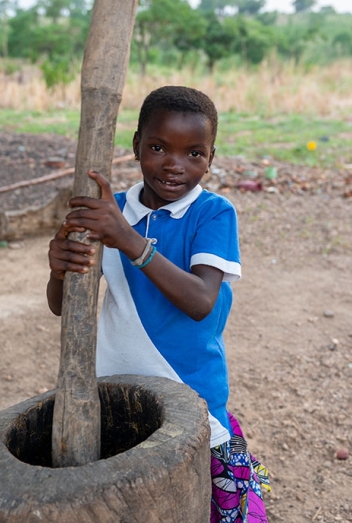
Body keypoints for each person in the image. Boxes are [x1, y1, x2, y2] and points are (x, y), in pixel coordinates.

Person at [47, 86, 271, 522]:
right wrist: (58, 269)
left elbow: (201, 301)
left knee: (213, 504)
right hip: (115, 384)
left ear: (210, 158)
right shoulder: (112, 211)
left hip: (191, 391)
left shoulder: (212, 213)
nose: (174, 165)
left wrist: (129, 239)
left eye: (194, 154)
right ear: (135, 146)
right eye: (157, 147)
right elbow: (63, 307)